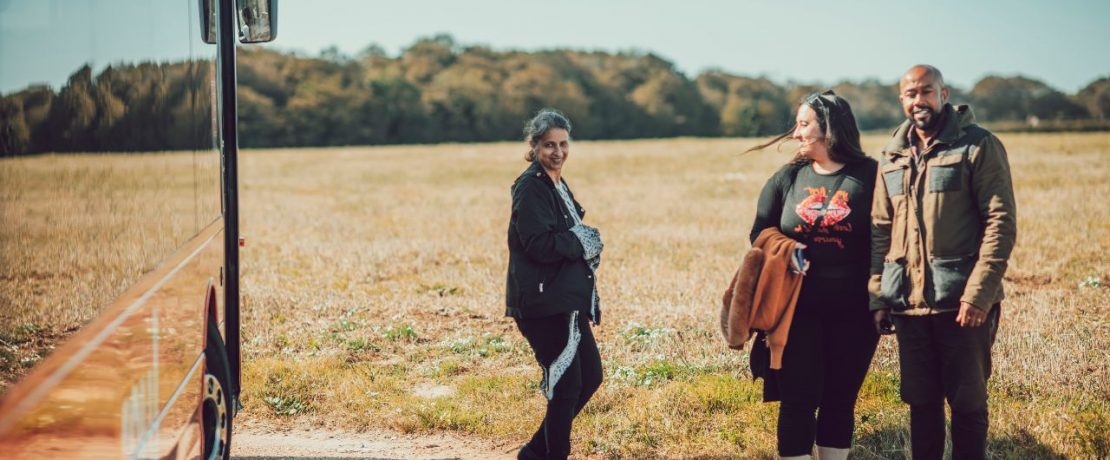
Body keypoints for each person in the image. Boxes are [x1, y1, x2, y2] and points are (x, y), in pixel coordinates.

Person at [870, 65, 1017, 460]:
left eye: (926, 92)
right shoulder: (892, 155)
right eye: (910, 94)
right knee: (921, 402)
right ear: (901, 99)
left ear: (944, 94)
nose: (918, 101)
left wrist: (979, 295)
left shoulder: (978, 146)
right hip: (909, 305)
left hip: (962, 304)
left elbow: (1000, 224)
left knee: (968, 403)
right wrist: (879, 295)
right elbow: (881, 229)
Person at [747, 90, 880, 460]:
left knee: (840, 399)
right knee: (798, 399)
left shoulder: (871, 175)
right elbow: (758, 232)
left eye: (804, 124)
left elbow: (887, 237)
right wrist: (787, 249)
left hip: (856, 312)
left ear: (830, 128)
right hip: (796, 310)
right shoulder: (788, 177)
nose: (796, 133)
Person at [505, 109, 603, 460]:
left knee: (589, 378)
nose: (558, 151)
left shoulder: (556, 183)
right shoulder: (531, 186)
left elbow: (566, 232)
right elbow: (538, 244)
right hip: (542, 304)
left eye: (563, 144)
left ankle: (534, 453)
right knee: (566, 388)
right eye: (549, 145)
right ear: (533, 146)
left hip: (567, 301)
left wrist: (582, 237)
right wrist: (581, 241)